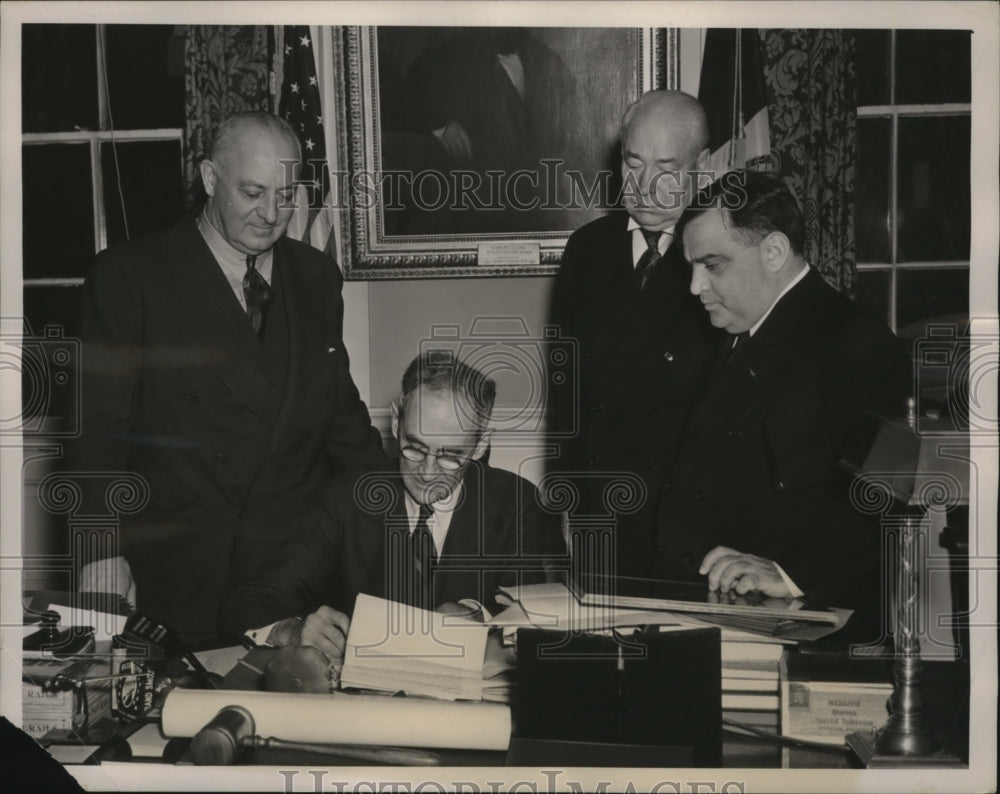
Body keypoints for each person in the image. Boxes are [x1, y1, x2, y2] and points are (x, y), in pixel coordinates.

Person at [70, 111, 384, 644]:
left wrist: (397, 519)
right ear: (210, 179)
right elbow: (96, 438)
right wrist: (100, 555)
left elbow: (342, 424)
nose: (270, 214)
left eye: (285, 195)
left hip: (290, 583)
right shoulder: (129, 277)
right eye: (253, 192)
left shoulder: (315, 276)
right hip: (174, 581)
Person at [653, 170, 911, 618]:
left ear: (773, 251)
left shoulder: (856, 343)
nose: (695, 287)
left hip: (800, 622)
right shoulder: (732, 331)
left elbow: (882, 502)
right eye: (691, 267)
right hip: (718, 608)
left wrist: (791, 575)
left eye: (713, 265)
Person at [218, 352, 565, 656]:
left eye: (450, 456)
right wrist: (290, 631)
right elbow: (250, 601)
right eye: (414, 447)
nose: (427, 473)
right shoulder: (348, 498)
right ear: (397, 423)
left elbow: (539, 619)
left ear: (479, 445)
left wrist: (479, 617)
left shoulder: (519, 504)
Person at [548, 90, 720, 579]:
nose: (644, 185)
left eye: (665, 167)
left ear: (700, 167)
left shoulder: (720, 256)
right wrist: (565, 500)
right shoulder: (586, 251)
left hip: (691, 521)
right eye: (633, 163)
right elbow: (567, 392)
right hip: (600, 516)